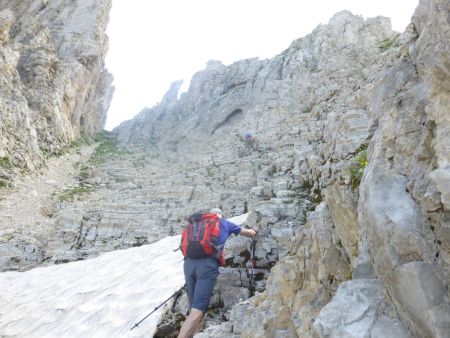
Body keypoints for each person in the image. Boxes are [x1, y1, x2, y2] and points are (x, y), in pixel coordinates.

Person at [178, 208, 257, 338]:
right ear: (220, 215)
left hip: (188, 265)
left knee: (194, 308)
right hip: (207, 265)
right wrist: (254, 230)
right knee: (198, 310)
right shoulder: (224, 223)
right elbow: (248, 233)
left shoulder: (194, 225)